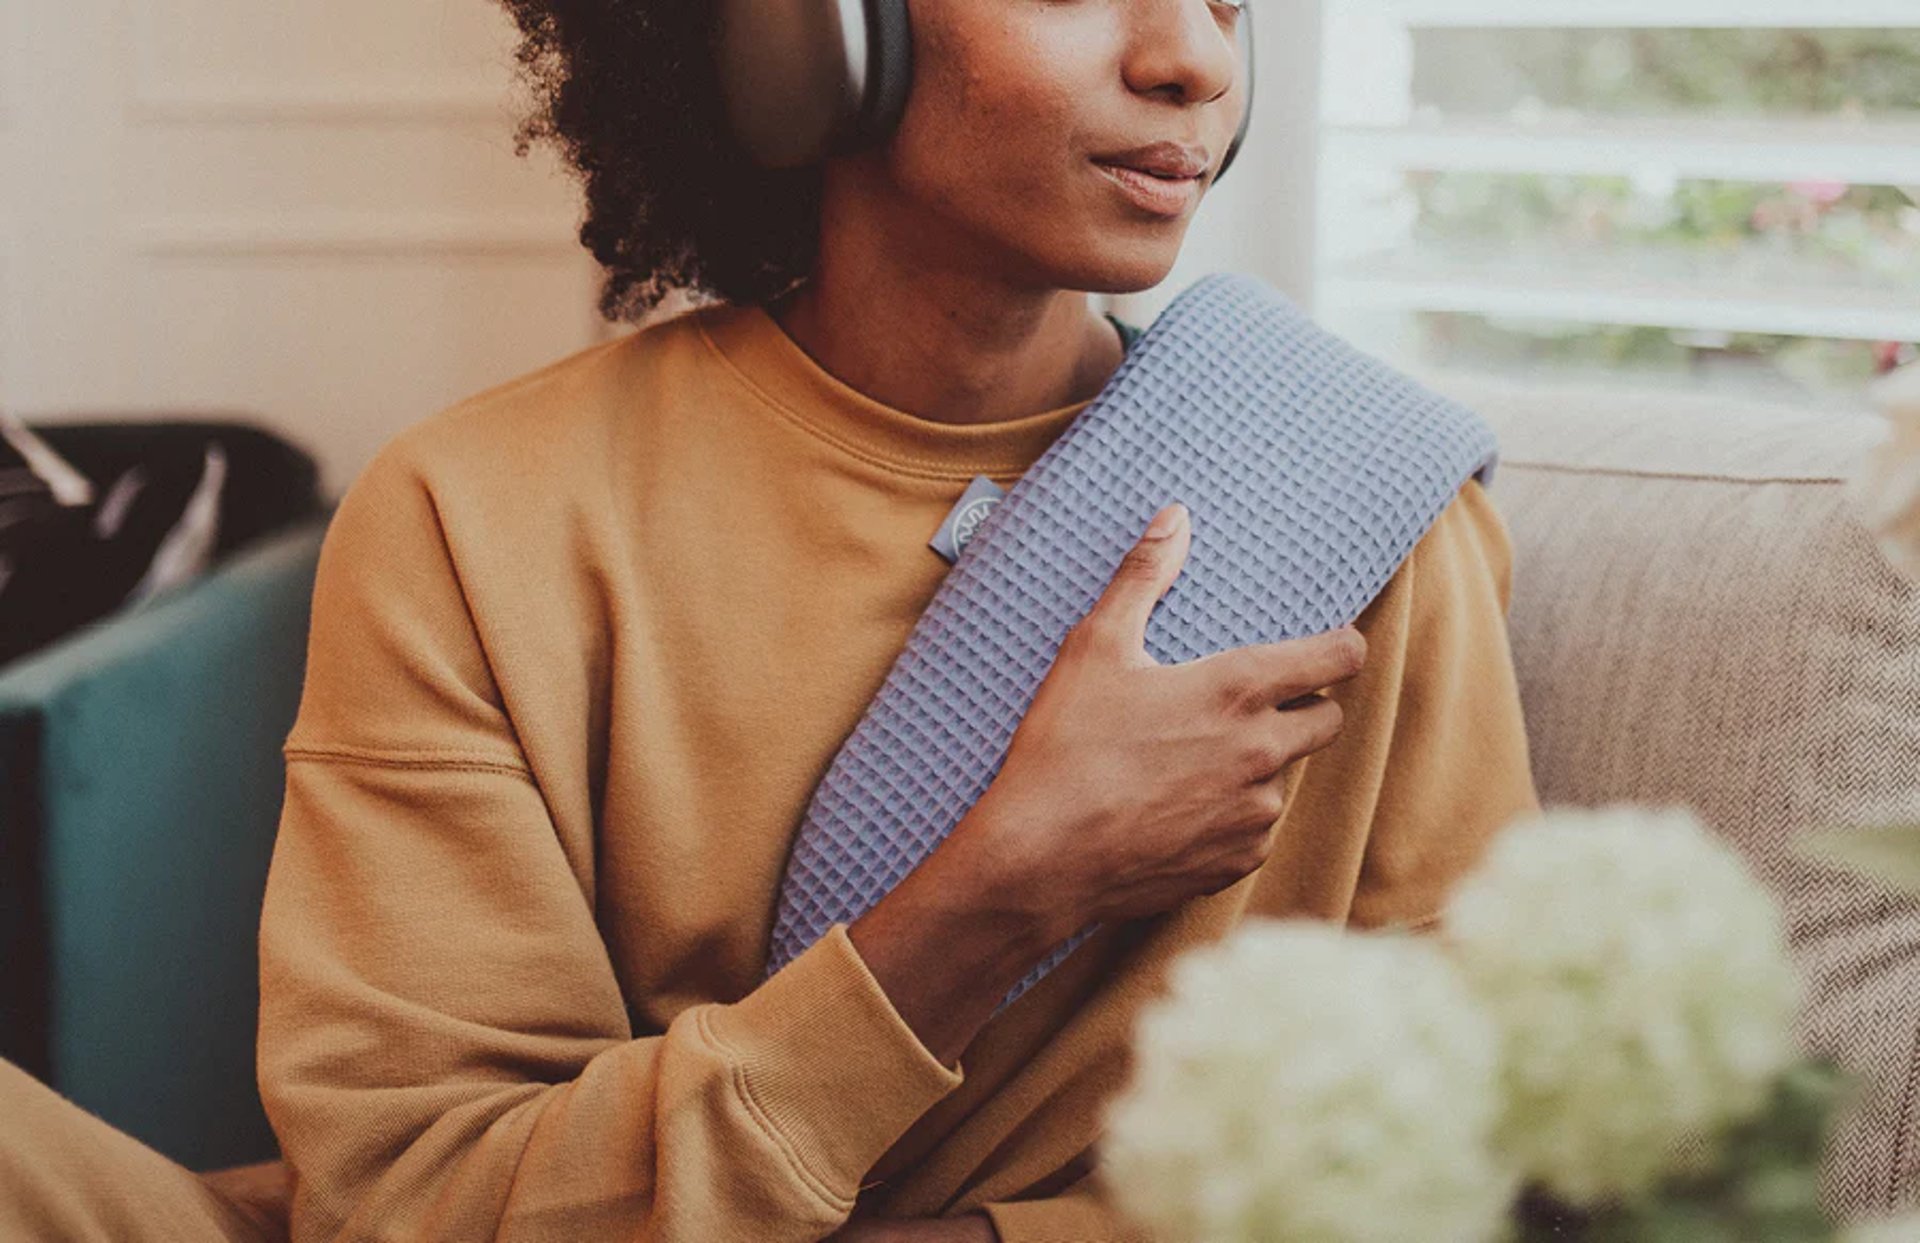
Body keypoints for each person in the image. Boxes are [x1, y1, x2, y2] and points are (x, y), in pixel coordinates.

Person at [0, 0, 1538, 1238]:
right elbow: (420, 1203)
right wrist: (1001, 891)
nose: (1193, 57)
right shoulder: (479, 516)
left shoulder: (1363, 504)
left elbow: (1477, 1151)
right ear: (814, 28)